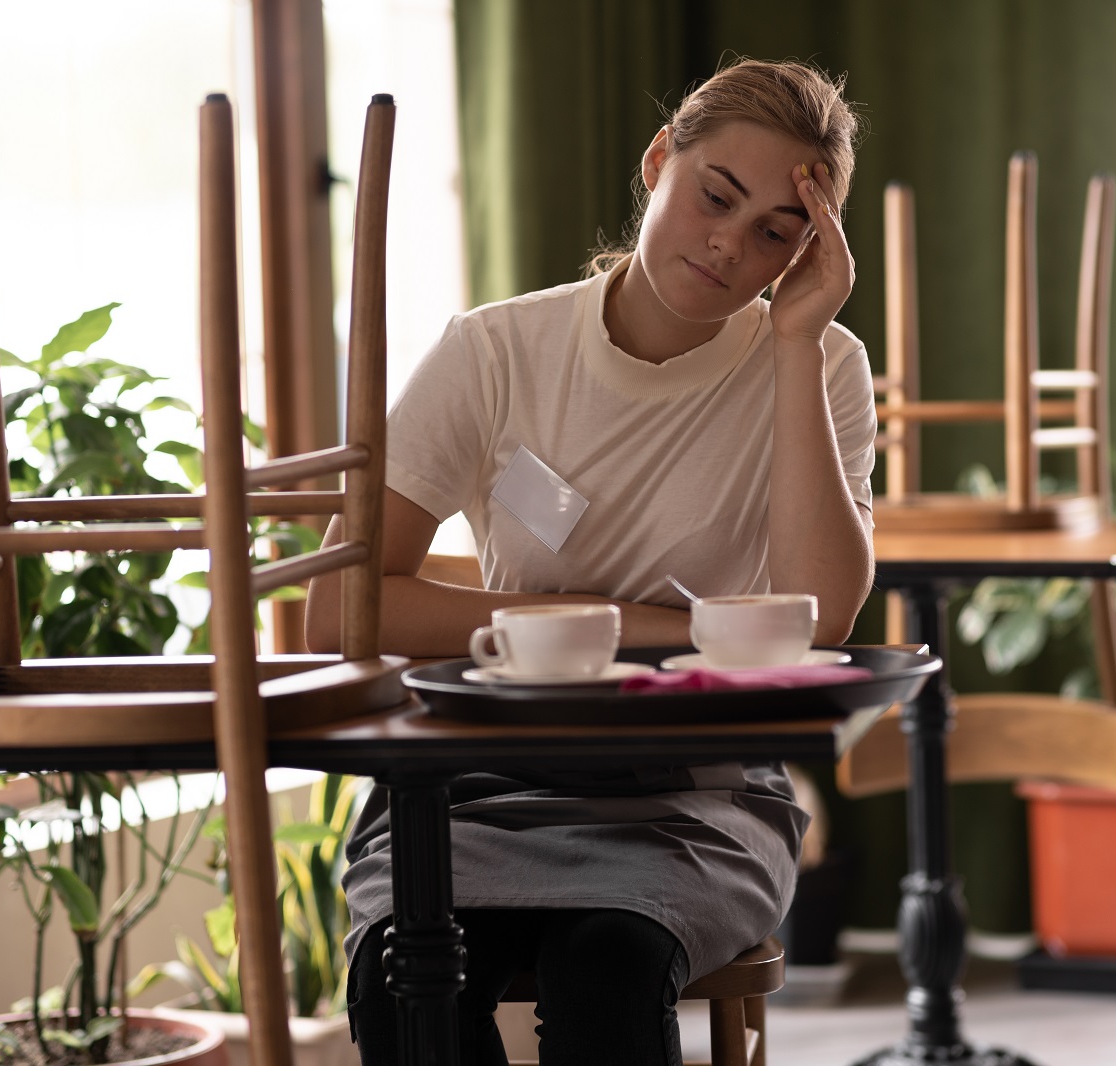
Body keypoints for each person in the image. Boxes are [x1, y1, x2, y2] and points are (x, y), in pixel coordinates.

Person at [305, 56, 875, 1066]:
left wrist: (794, 341)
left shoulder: (820, 361)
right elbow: (335, 608)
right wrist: (651, 628)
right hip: (471, 780)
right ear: (658, 161)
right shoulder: (494, 350)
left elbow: (823, 615)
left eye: (772, 234)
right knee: (408, 983)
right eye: (714, 196)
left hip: (695, 792)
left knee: (607, 965)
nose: (727, 245)